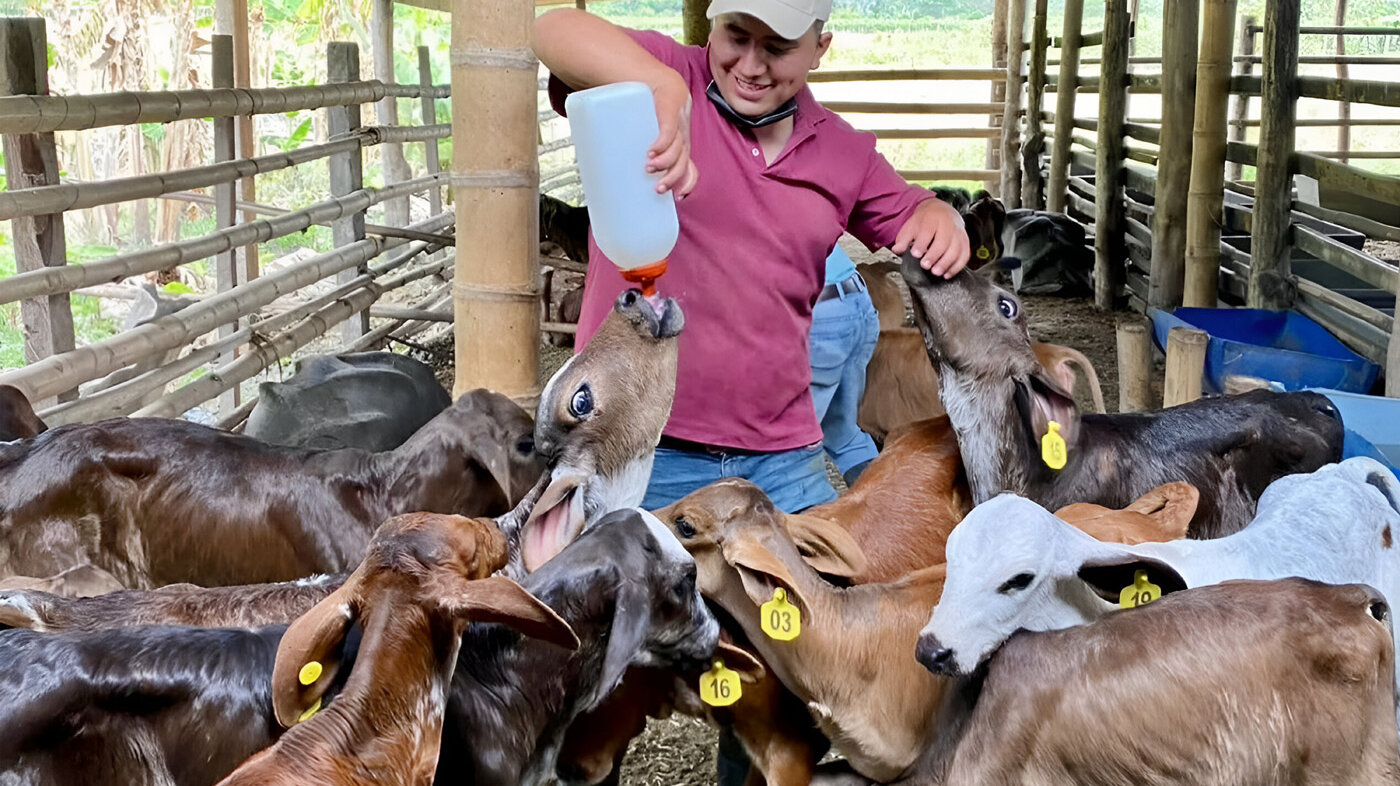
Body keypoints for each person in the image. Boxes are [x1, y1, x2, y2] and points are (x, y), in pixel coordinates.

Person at [533, 0, 971, 514]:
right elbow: (552, 28)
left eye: (777, 48)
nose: (750, 65)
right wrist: (659, 85)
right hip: (634, 446)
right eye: (737, 37)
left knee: (827, 589)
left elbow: (915, 213)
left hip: (781, 459)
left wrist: (940, 215)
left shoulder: (843, 152)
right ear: (715, 27)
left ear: (818, 49)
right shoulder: (666, 78)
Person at [809, 242, 880, 488]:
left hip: (816, 312)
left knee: (790, 445)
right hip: (855, 299)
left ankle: (811, 521)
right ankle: (882, 515)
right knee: (843, 434)